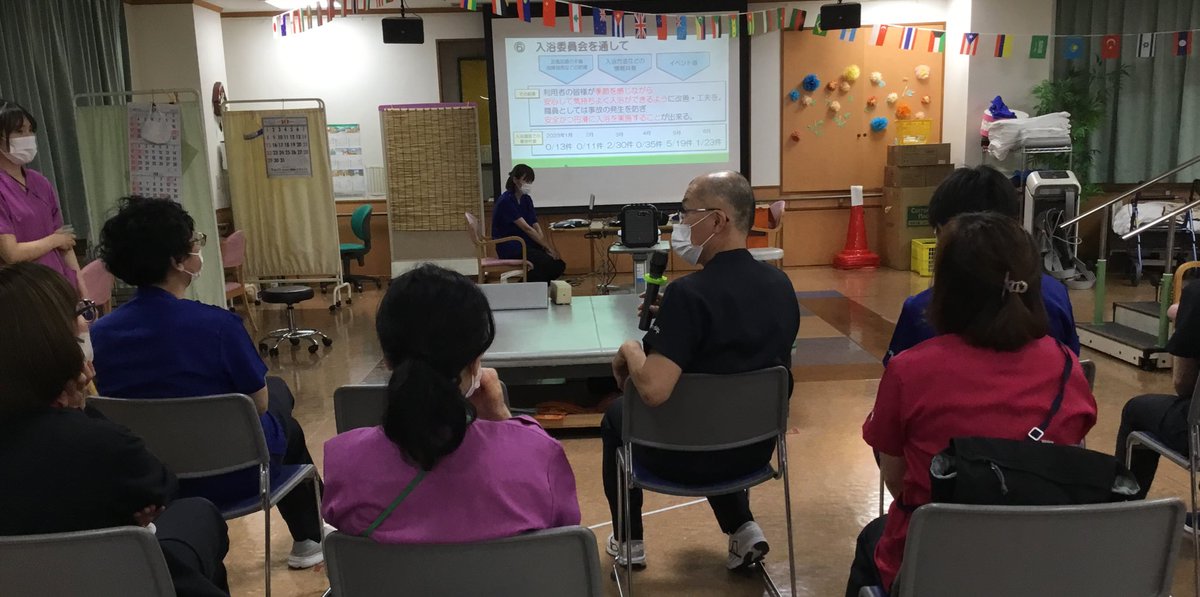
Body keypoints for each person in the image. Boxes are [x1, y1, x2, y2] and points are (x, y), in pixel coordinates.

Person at [847, 213, 1097, 597]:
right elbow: (1071, 451)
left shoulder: (909, 370)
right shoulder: (1066, 365)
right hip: (1038, 565)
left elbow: (897, 479)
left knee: (873, 537)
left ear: (947, 288)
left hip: (935, 566)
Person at [89, 196, 327, 569]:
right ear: (177, 260)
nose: (198, 248)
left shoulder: (100, 335)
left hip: (151, 482)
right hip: (237, 476)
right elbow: (259, 404)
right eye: (194, 241)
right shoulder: (218, 326)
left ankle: (310, 536)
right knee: (282, 408)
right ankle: (309, 539)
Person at [601, 171, 800, 571]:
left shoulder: (688, 294)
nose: (680, 224)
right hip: (755, 450)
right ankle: (743, 528)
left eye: (686, 213)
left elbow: (653, 389)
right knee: (717, 421)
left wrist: (630, 349)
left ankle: (629, 539)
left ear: (718, 220)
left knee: (617, 416)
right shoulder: (781, 285)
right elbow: (733, 339)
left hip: (686, 455)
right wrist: (674, 321)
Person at [0, 262, 229, 597]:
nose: (86, 322)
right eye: (79, 313)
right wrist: (80, 406)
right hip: (114, 578)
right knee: (198, 514)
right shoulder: (95, 443)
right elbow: (158, 486)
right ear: (54, 339)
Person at [322, 264, 579, 542]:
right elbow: (561, 533)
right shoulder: (539, 455)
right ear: (475, 361)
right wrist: (504, 421)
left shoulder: (344, 464)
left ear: (386, 359)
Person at [883, 165, 1079, 366]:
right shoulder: (1055, 295)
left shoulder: (922, 310)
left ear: (946, 234)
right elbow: (1072, 363)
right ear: (1015, 224)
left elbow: (898, 376)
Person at [1116, 278, 1200, 500]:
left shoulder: (1196, 293)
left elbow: (1184, 385)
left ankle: (1125, 507)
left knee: (1136, 410)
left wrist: (1182, 323)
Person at [0, 100, 85, 294]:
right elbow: (11, 254)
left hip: (57, 283)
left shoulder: (39, 182)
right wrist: (54, 241)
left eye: (30, 130)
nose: (28, 137)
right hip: (21, 291)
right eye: (19, 131)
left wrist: (82, 288)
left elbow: (65, 240)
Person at [492, 164, 566, 283]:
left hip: (527, 244)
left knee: (558, 264)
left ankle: (527, 287)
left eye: (530, 181)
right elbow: (527, 228)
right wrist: (547, 247)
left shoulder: (526, 199)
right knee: (546, 263)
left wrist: (542, 244)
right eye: (525, 180)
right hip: (512, 246)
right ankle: (524, 288)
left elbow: (534, 223)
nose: (528, 184)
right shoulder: (506, 201)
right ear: (515, 180)